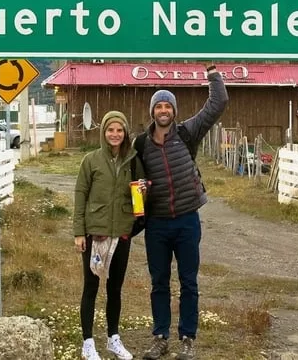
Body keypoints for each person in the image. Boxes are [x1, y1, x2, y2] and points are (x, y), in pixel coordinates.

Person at [137, 63, 228, 360]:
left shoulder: (188, 132)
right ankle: (160, 338)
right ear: (153, 111)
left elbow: (218, 103)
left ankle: (187, 339)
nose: (163, 110)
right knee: (159, 283)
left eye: (168, 106)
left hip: (188, 220)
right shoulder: (141, 144)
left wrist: (211, 71)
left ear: (174, 111)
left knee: (189, 282)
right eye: (159, 106)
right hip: (157, 224)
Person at [73, 110, 147, 360]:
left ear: (125, 133)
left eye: (119, 130)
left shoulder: (133, 161)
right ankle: (87, 343)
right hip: (95, 233)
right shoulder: (91, 160)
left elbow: (140, 197)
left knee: (115, 288)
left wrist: (142, 194)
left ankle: (113, 338)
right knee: (91, 287)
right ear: (103, 132)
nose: (115, 134)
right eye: (110, 130)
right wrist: (79, 233)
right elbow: (80, 195)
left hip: (122, 234)